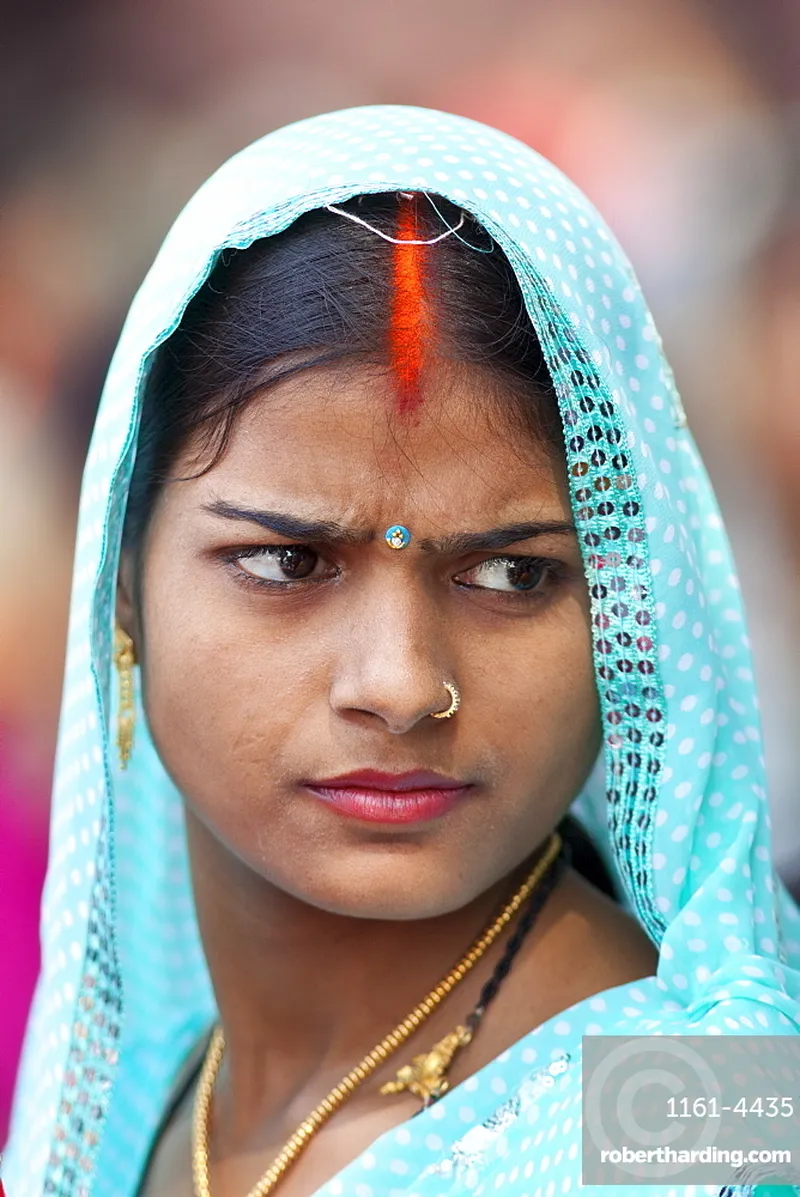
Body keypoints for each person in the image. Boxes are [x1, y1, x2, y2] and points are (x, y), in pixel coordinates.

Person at [4, 105, 800, 1197]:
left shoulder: (714, 1114)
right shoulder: (146, 1085)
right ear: (124, 588)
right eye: (287, 564)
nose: (400, 685)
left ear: (628, 614)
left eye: (514, 574)